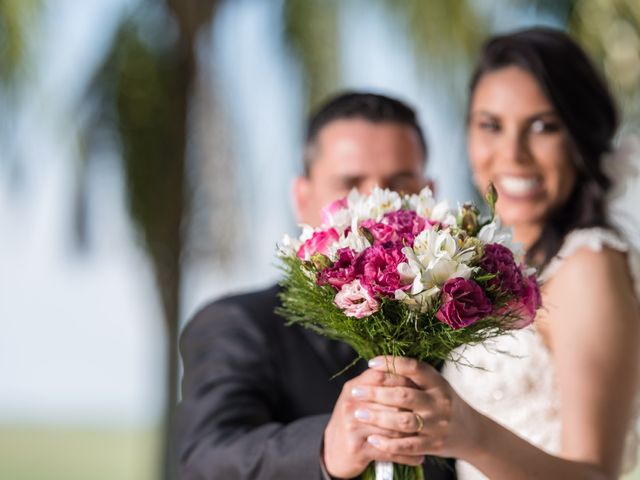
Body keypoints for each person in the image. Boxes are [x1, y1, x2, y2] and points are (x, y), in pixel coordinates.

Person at [348, 27, 640, 480]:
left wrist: (470, 434)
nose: (513, 154)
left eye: (543, 126)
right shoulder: (499, 268)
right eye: (491, 125)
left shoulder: (588, 266)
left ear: (581, 138)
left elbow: (596, 474)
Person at [175, 92, 456, 479]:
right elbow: (205, 459)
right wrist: (326, 448)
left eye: (399, 185)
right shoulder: (236, 323)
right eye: (350, 184)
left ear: (430, 196)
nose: (378, 206)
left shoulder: (463, 325)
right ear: (302, 200)